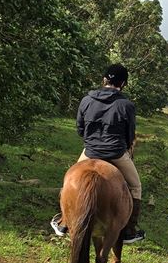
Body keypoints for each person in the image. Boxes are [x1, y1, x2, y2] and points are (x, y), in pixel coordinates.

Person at [50, 64, 144, 243]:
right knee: (136, 186)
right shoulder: (127, 105)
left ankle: (64, 222)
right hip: (117, 153)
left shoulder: (86, 100)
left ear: (104, 80)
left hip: (91, 151)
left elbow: (80, 129)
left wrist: (93, 140)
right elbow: (130, 135)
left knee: (68, 179)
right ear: (123, 83)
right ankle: (129, 230)